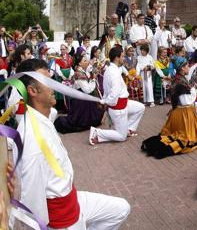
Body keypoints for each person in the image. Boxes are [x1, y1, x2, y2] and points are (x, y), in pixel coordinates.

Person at [14, 59, 131, 229]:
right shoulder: (32, 139)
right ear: (32, 90)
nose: (55, 86)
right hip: (63, 219)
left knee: (120, 209)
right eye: (48, 82)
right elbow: (31, 202)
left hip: (73, 200)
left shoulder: (44, 116)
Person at [89, 46, 146, 145]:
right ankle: (97, 132)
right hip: (118, 107)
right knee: (121, 136)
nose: (123, 58)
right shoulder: (113, 72)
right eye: (122, 56)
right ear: (116, 58)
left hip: (122, 103)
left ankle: (128, 129)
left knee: (140, 108)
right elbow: (114, 94)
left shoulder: (111, 69)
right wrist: (106, 102)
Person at [141, 80, 197, 158]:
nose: (188, 67)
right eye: (186, 66)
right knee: (184, 137)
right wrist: (194, 89)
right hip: (184, 113)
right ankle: (164, 149)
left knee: (175, 133)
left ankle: (152, 145)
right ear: (182, 68)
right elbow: (186, 101)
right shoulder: (181, 82)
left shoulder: (181, 80)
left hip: (178, 111)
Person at [54, 53, 107, 134]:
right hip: (81, 101)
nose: (87, 62)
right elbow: (87, 90)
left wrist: (95, 68)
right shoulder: (79, 75)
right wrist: (93, 79)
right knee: (81, 122)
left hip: (84, 99)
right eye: (85, 61)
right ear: (80, 63)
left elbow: (90, 70)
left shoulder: (82, 71)